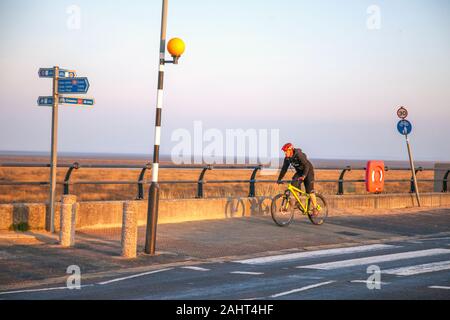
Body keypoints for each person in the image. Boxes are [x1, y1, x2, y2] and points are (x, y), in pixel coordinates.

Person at [277, 143, 319, 216]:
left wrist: (304, 176)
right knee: (293, 183)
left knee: (309, 191)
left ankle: (315, 208)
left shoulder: (298, 154)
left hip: (308, 171)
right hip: (300, 172)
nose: (285, 153)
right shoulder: (287, 158)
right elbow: (284, 169)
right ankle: (298, 202)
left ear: (290, 150)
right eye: (284, 152)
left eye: (286, 151)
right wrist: (279, 179)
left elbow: (306, 165)